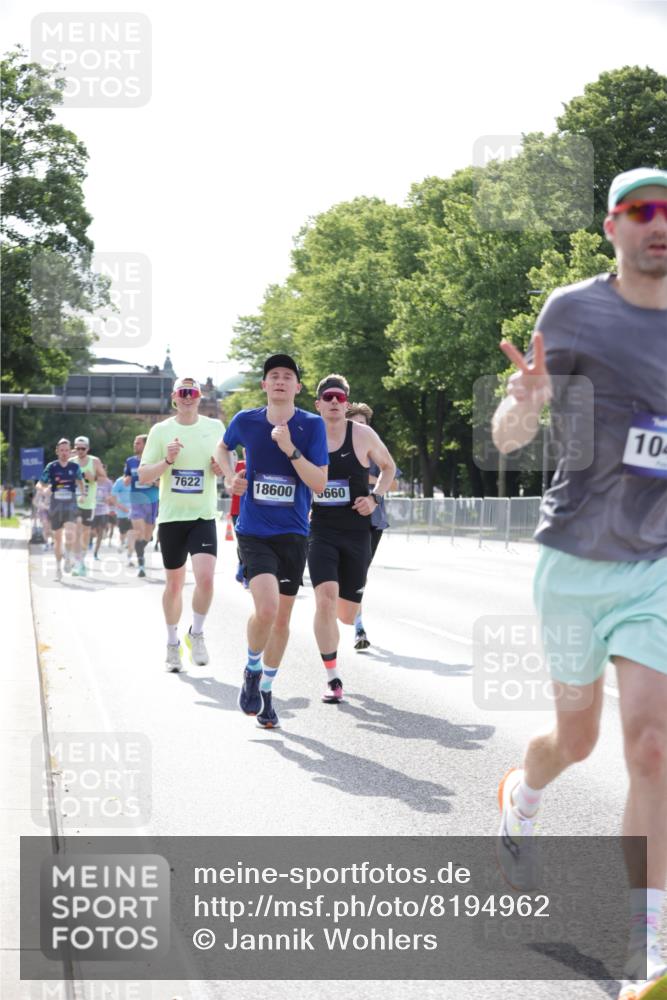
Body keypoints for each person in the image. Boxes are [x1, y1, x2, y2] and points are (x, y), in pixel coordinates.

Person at [491, 167, 667, 1000]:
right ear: (611, 225)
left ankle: (649, 942)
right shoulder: (570, 310)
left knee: (651, 744)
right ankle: (524, 791)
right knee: (577, 740)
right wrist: (524, 402)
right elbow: (509, 428)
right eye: (641, 211)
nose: (657, 224)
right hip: (570, 559)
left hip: (656, 564)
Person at [215, 353, 328, 729]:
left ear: (297, 387)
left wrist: (289, 450)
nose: (280, 381)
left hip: (294, 533)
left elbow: (319, 482)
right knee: (265, 610)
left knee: (281, 621)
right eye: (273, 376)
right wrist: (231, 477)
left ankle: (266, 689)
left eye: (287, 377)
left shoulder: (311, 426)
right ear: (264, 385)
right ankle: (250, 668)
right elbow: (222, 448)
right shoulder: (245, 420)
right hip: (254, 530)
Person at [309, 376, 396, 702]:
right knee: (325, 599)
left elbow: (389, 468)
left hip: (357, 533)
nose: (334, 401)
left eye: (340, 397)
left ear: (346, 403)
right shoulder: (306, 435)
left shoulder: (362, 434)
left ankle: (335, 625)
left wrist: (374, 498)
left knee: (346, 614)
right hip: (320, 530)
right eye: (327, 397)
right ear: (318, 404)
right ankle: (333, 678)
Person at [139, 376, 225, 671]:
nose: (188, 397)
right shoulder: (161, 430)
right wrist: (167, 461)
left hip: (202, 515)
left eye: (193, 392)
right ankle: (172, 643)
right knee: (174, 584)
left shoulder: (215, 428)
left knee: (206, 579)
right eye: (183, 392)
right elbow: (144, 475)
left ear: (200, 397)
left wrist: (219, 468)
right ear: (174, 397)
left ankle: (196, 634)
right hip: (172, 517)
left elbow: (227, 465)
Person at [347, 401, 402, 650]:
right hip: (340, 520)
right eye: (355, 423)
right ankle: (348, 618)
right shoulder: (335, 446)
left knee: (359, 575)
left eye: (364, 424)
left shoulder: (375, 449)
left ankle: (359, 626)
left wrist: (366, 478)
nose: (360, 428)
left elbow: (394, 484)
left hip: (372, 521)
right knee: (342, 577)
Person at [38, 438, 85, 581]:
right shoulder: (51, 467)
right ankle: (58, 567)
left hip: (70, 503)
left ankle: (68, 557)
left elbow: (80, 482)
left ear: (70, 452)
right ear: (57, 451)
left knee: (70, 533)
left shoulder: (75, 467)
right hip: (55, 504)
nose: (64, 453)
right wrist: (45, 489)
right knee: (58, 539)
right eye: (61, 450)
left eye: (67, 450)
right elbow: (39, 484)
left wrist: (83, 494)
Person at [124, 434, 160, 579]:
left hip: (152, 501)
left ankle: (142, 547)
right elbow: (126, 477)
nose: (135, 445)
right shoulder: (130, 461)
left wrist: (150, 482)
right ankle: (141, 565)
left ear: (146, 445)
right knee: (138, 532)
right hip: (136, 500)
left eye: (138, 443)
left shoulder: (155, 461)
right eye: (134, 443)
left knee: (147, 536)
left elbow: (161, 484)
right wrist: (127, 479)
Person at [71, 435, 104, 577]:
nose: (80, 451)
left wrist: (94, 478)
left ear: (88, 449)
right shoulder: (71, 462)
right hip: (73, 502)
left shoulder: (94, 461)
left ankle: (82, 559)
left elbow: (104, 479)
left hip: (89, 503)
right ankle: (77, 562)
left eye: (82, 448)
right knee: (75, 530)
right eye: (77, 448)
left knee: (85, 534)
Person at [230, 451, 247, 584]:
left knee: (250, 542)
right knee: (241, 542)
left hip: (252, 512)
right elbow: (228, 485)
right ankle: (242, 565)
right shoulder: (238, 465)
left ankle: (246, 572)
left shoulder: (262, 465)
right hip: (237, 511)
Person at [91, 464, 112, 560]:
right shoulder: (91, 480)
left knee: (100, 533)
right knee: (91, 532)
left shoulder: (108, 483)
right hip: (91, 510)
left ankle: (95, 553)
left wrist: (108, 498)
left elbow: (112, 495)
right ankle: (90, 541)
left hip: (103, 511)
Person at [111, 472, 134, 562]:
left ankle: (129, 559)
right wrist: (121, 507)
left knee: (132, 535)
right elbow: (113, 498)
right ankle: (122, 542)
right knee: (123, 533)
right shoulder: (119, 482)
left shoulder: (138, 481)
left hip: (134, 513)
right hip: (122, 513)